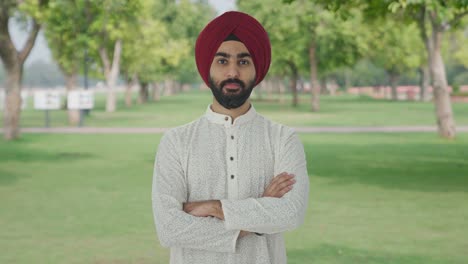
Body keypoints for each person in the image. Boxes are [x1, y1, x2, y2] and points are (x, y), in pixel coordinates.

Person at [152, 11, 309, 264]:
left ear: (257, 68)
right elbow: (169, 227)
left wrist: (215, 208)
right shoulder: (176, 141)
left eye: (243, 62)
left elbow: (291, 213)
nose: (233, 72)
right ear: (208, 67)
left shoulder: (283, 138)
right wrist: (259, 216)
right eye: (222, 61)